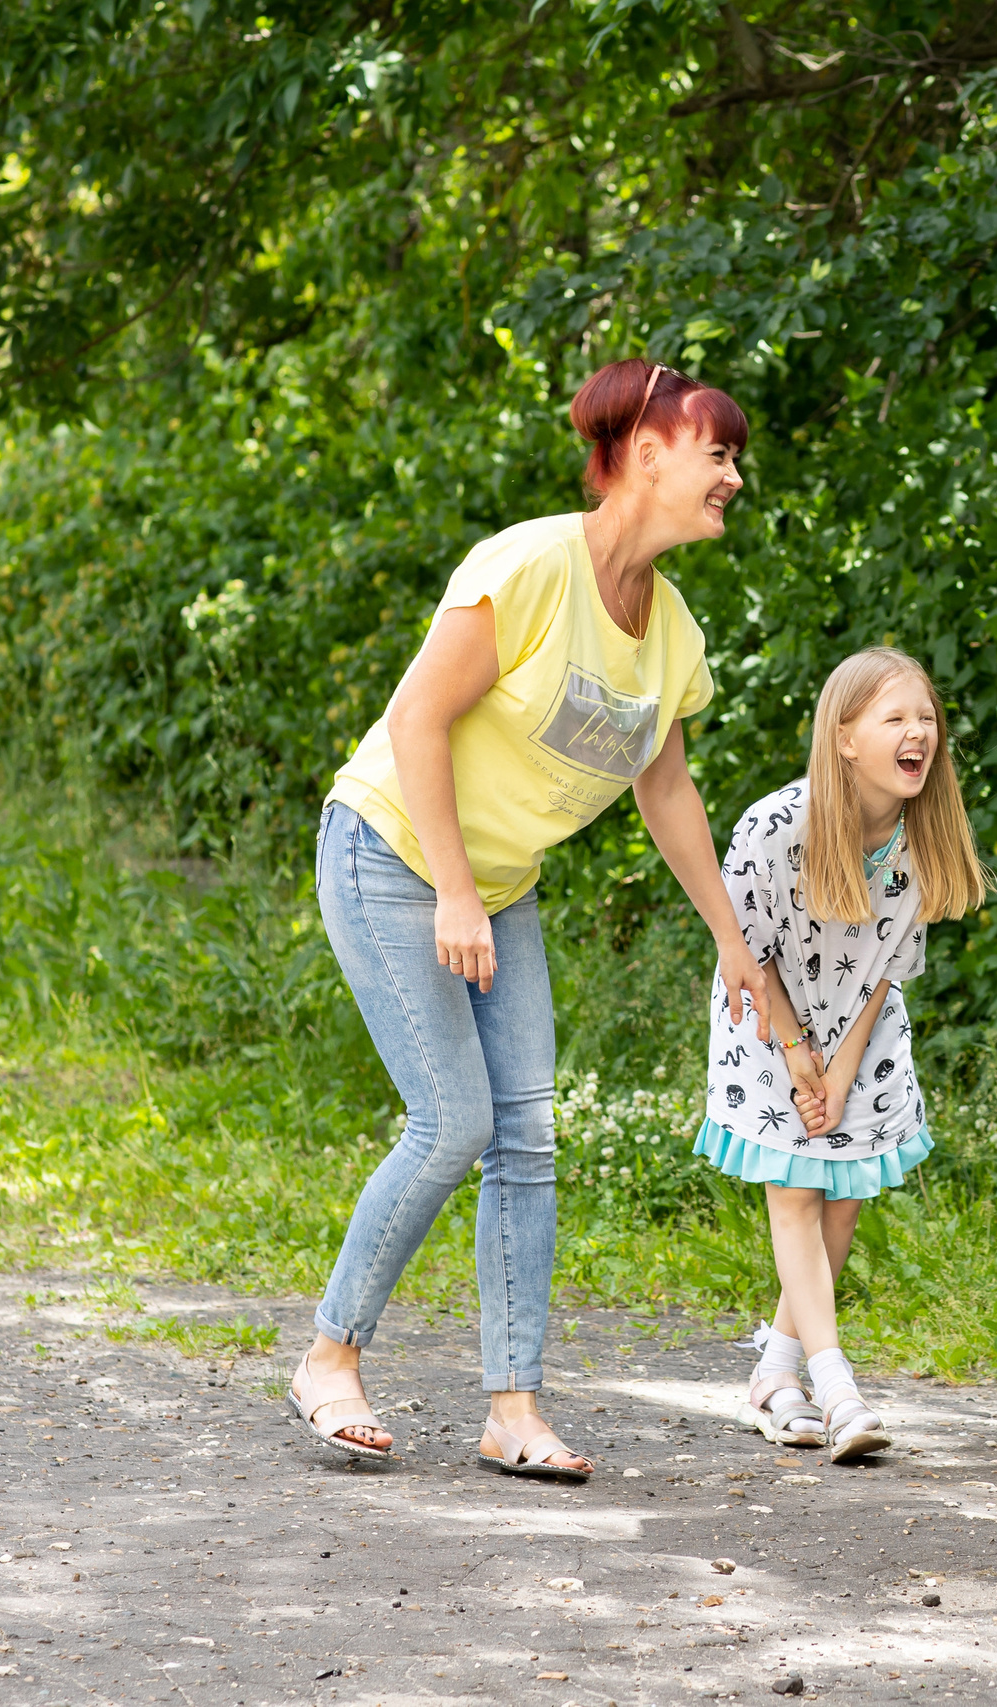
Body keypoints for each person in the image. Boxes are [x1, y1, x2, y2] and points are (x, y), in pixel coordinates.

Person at [285, 358, 774, 1481]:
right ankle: (328, 1357)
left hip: (495, 887)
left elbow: (667, 790)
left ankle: (512, 1409)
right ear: (647, 454)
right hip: (390, 851)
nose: (732, 477)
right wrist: (455, 889)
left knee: (527, 1139)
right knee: (453, 1123)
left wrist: (729, 935)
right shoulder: (530, 564)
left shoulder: (670, 629)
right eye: (718, 452)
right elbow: (416, 720)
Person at [695, 648, 991, 1463]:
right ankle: (837, 1388)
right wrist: (795, 1054)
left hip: (861, 1028)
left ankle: (776, 1372)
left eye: (926, 717)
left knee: (845, 1189)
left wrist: (841, 1067)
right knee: (794, 1186)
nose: (918, 732)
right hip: (766, 1015)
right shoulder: (773, 826)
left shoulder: (918, 834)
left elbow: (887, 972)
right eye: (895, 717)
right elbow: (746, 955)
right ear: (846, 736)